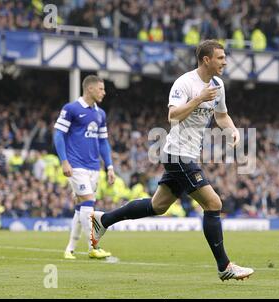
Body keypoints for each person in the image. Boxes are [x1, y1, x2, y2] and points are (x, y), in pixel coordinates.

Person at [89, 40, 254, 281]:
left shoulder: (218, 85)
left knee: (158, 206)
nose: (225, 62)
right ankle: (224, 266)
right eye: (220, 58)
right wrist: (198, 99)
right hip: (178, 154)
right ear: (206, 59)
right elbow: (172, 115)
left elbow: (222, 115)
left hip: (186, 154)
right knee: (213, 204)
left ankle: (103, 219)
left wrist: (232, 130)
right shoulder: (184, 83)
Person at [53, 75, 115, 259]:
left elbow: (103, 142)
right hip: (76, 165)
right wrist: (64, 161)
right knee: (89, 203)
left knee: (81, 209)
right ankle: (93, 247)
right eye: (101, 89)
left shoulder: (100, 114)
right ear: (90, 89)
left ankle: (70, 249)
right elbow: (58, 134)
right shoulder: (71, 109)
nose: (104, 92)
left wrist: (109, 166)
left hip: (94, 167)